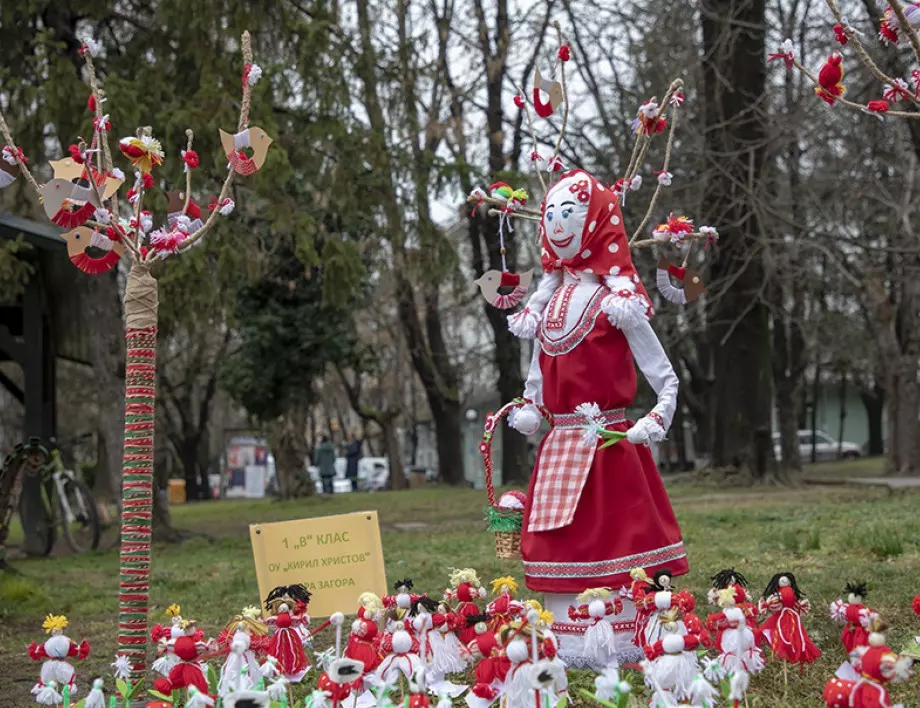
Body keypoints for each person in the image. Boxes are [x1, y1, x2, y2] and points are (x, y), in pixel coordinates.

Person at [506, 169, 687, 666]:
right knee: (561, 539)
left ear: (594, 224)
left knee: (615, 531)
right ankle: (565, 631)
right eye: (551, 215)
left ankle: (622, 631)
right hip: (561, 446)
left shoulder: (616, 303)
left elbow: (664, 376)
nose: (558, 223)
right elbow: (538, 376)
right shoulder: (546, 307)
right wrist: (530, 406)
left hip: (610, 444)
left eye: (570, 213)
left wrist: (657, 416)